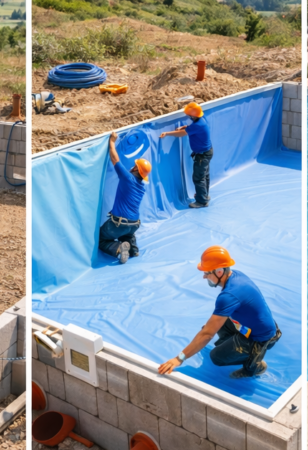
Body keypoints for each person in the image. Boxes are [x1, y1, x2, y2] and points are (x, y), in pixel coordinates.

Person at [158, 246, 281, 378]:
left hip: (261, 338)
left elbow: (207, 335)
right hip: (257, 326)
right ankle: (234, 348)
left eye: (207, 273)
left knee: (216, 357)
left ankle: (255, 364)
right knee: (214, 326)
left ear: (219, 271)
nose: (204, 277)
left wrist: (179, 358)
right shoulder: (236, 276)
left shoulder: (229, 296)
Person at [99, 132, 151, 264]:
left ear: (135, 169)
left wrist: (112, 142)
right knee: (127, 233)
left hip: (119, 224)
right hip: (134, 224)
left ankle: (118, 249)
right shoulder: (141, 186)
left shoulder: (127, 178)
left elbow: (115, 159)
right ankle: (133, 249)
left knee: (101, 238)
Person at [159, 102, 213, 209]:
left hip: (202, 156)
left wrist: (167, 133)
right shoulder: (202, 119)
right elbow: (191, 128)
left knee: (198, 178)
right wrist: (186, 127)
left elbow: (181, 134)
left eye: (189, 115)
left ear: (193, 116)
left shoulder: (198, 125)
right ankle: (204, 195)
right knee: (204, 175)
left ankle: (202, 201)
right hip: (207, 152)